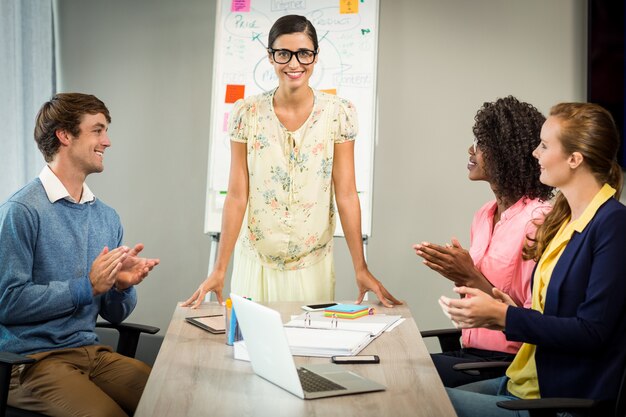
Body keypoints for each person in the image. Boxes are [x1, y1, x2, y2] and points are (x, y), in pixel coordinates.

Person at [183, 15, 400, 308]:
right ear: (270, 57)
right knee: (247, 349)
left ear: (315, 56)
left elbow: (346, 194)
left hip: (312, 264)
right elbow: (237, 195)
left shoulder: (338, 113)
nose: (294, 64)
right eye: (283, 53)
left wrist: (360, 267)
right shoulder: (246, 113)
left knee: (308, 350)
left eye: (304, 53)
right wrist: (220, 268)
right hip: (255, 261)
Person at [441, 102, 626, 417]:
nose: (535, 153)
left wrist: (503, 317)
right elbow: (552, 315)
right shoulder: (563, 220)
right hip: (521, 383)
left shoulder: (612, 224)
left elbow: (592, 332)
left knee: (413, 399)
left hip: (555, 401)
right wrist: (505, 308)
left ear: (574, 159)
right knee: (411, 388)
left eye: (543, 145)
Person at [0, 93, 160, 417]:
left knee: (168, 395)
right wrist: (87, 286)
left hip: (91, 352)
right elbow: (8, 301)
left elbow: (115, 315)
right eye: (98, 131)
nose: (108, 141)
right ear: (64, 135)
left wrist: (120, 286)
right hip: (31, 362)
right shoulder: (21, 211)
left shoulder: (107, 217)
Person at [413, 96, 553, 387]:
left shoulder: (539, 220)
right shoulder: (483, 215)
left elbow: (533, 319)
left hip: (506, 365)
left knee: (410, 377)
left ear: (506, 154)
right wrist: (457, 272)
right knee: (398, 363)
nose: (471, 150)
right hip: (471, 352)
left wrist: (470, 275)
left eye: (482, 143)